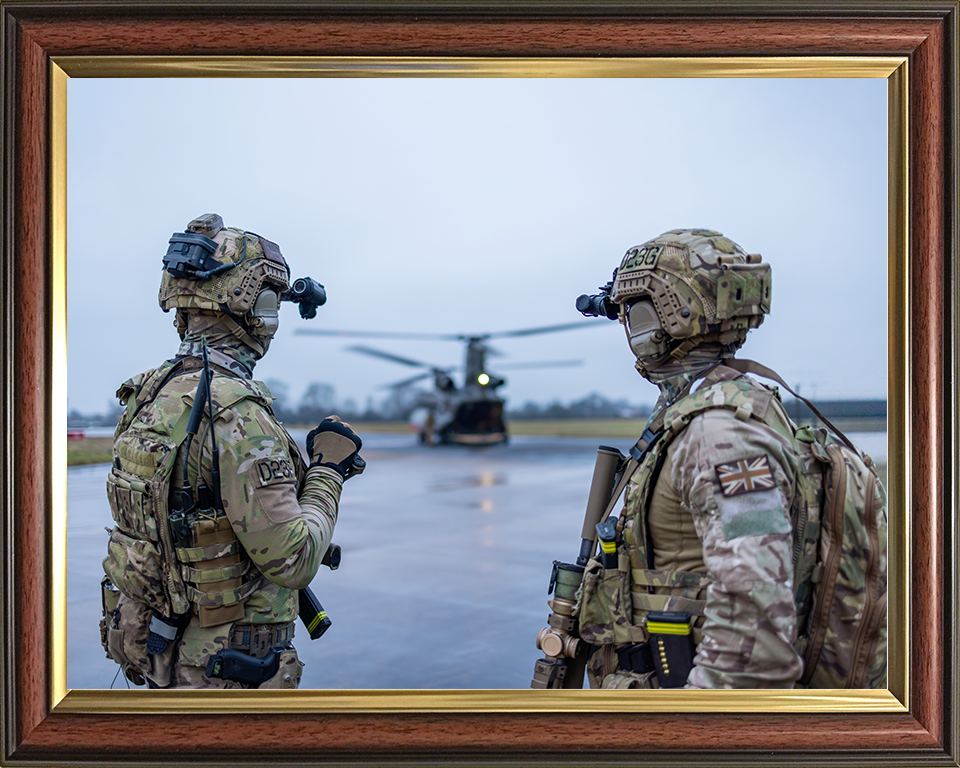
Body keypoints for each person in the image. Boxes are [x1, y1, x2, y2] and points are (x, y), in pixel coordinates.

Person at [571, 228, 885, 689]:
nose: (630, 328)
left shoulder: (719, 435)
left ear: (672, 315)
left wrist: (701, 734)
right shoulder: (705, 410)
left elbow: (755, 635)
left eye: (635, 312)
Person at [100, 213, 363, 689]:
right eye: (272, 304)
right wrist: (328, 470)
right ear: (256, 309)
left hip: (165, 652)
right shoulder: (238, 414)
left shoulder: (150, 393)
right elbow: (294, 559)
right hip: (226, 668)